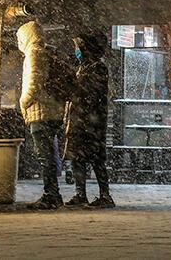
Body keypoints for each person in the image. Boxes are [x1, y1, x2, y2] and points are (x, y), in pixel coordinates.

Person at [17, 21, 65, 210]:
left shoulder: (34, 53)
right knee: (49, 155)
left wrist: (23, 102)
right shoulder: (45, 51)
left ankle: (51, 194)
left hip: (41, 111)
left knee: (44, 155)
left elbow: (34, 82)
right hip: (50, 111)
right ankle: (53, 193)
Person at [65, 33, 114, 209]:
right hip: (84, 120)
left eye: (78, 47)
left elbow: (90, 94)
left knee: (95, 158)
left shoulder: (96, 68)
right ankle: (81, 193)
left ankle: (104, 195)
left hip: (89, 121)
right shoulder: (85, 67)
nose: (76, 50)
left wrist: (74, 88)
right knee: (79, 157)